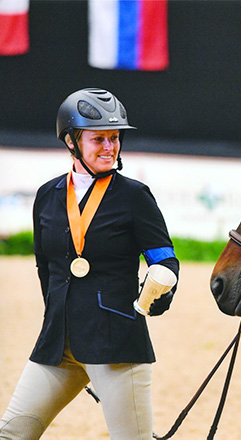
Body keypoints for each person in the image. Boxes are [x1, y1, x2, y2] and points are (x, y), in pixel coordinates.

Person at [0, 88, 179, 439]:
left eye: (115, 138)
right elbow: (45, 269)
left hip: (116, 346)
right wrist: (57, 316)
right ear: (71, 142)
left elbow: (165, 259)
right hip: (57, 345)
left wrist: (162, 286)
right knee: (12, 434)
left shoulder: (135, 196)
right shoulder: (48, 196)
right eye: (99, 139)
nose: (110, 147)